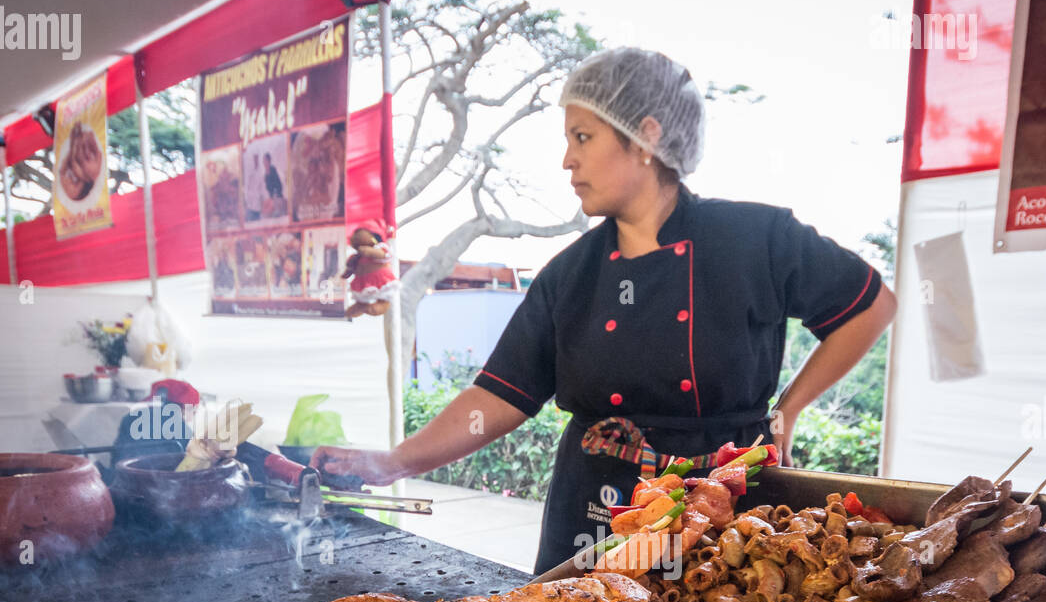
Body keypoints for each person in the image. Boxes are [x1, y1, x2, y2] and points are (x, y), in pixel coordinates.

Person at [313, 47, 896, 574]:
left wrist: (787, 410)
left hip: (727, 516)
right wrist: (394, 462)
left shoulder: (754, 238)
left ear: (643, 137)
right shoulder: (572, 274)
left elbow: (869, 305)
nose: (567, 160)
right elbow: (498, 395)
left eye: (582, 137)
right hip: (594, 515)